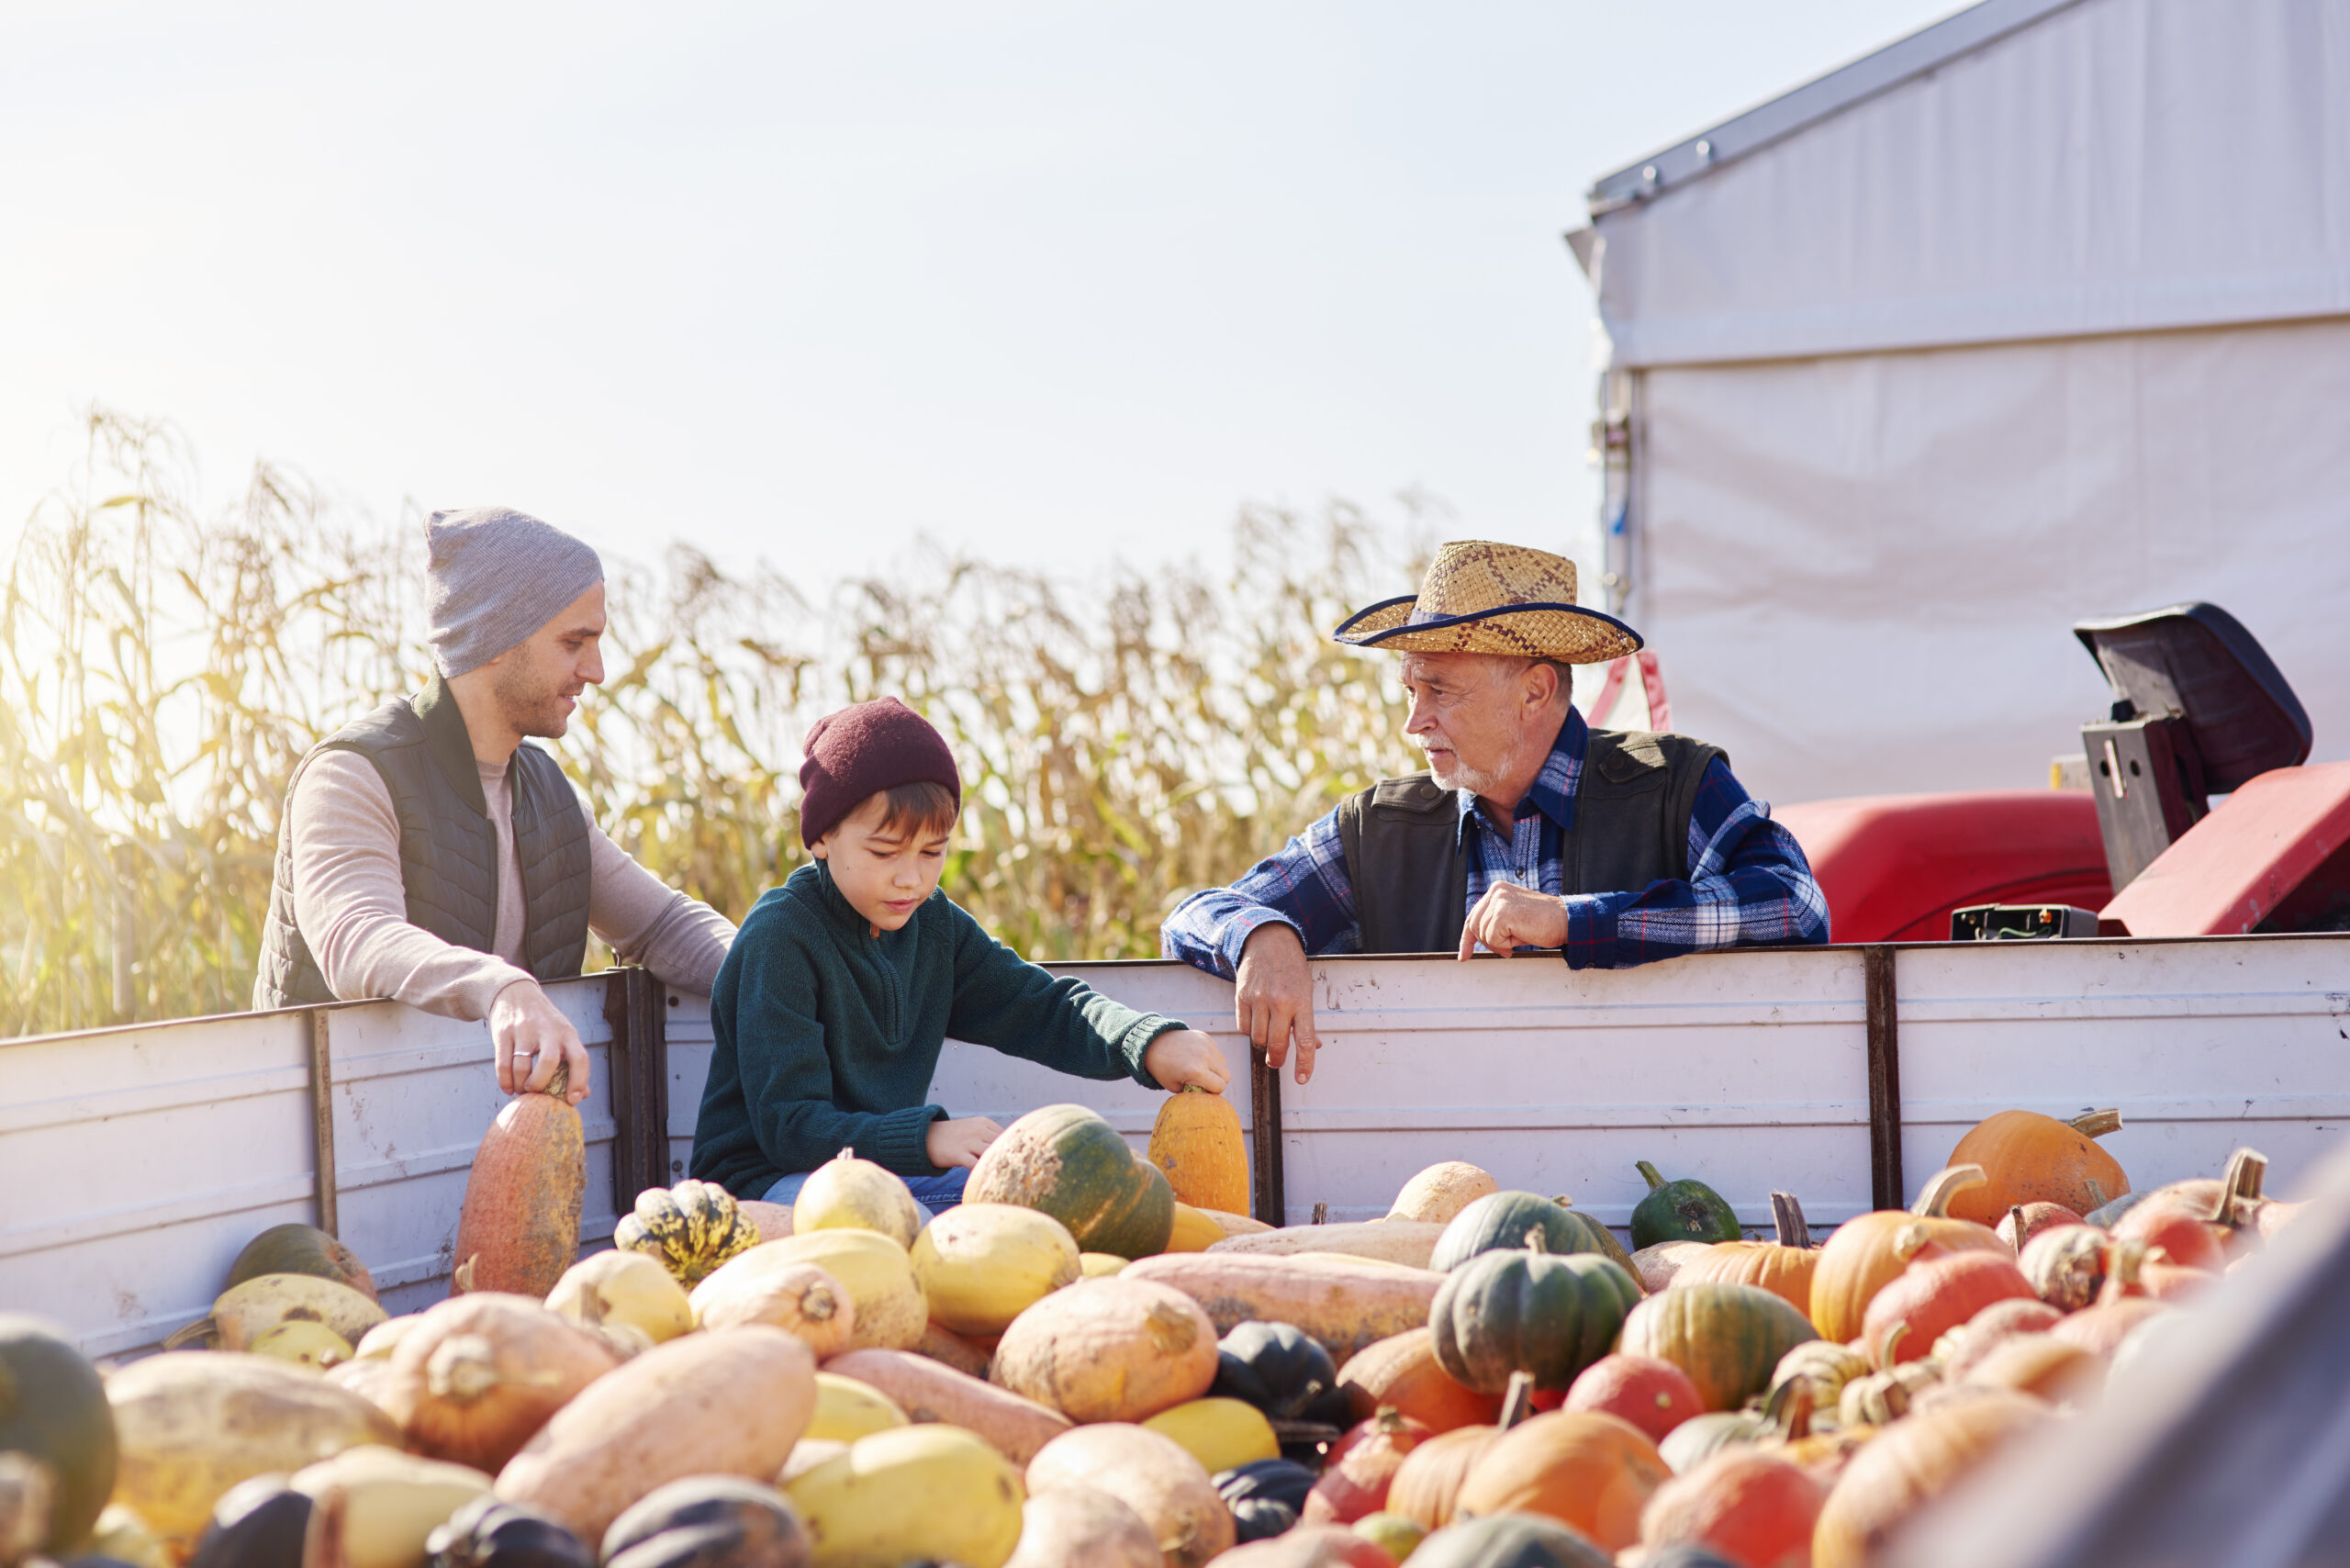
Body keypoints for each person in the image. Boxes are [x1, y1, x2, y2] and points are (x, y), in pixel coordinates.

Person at [1161, 539, 1830, 1086]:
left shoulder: (1675, 781)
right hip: (1445, 1186)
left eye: (1440, 690)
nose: (1413, 722)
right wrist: (1262, 936)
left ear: (1535, 691)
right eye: (1410, 689)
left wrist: (1575, 920)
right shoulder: (1376, 828)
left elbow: (1796, 905)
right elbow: (1192, 917)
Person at [253, 507, 735, 1103]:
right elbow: (356, 938)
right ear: (497, 640)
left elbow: (664, 926)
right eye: (573, 643)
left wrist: (779, 976)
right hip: (334, 1156)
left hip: (487, 1147)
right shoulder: (353, 774)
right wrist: (504, 989)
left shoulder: (550, 798)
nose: (598, 671)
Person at [690, 696, 1232, 1210]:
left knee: (1045, 1204)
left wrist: (1145, 1042)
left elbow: (1042, 1006)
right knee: (914, 1232)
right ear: (821, 838)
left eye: (933, 852)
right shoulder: (781, 938)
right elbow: (791, 1127)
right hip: (763, 1187)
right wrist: (927, 1138)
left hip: (881, 1176)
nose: (911, 878)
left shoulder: (934, 929)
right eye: (884, 851)